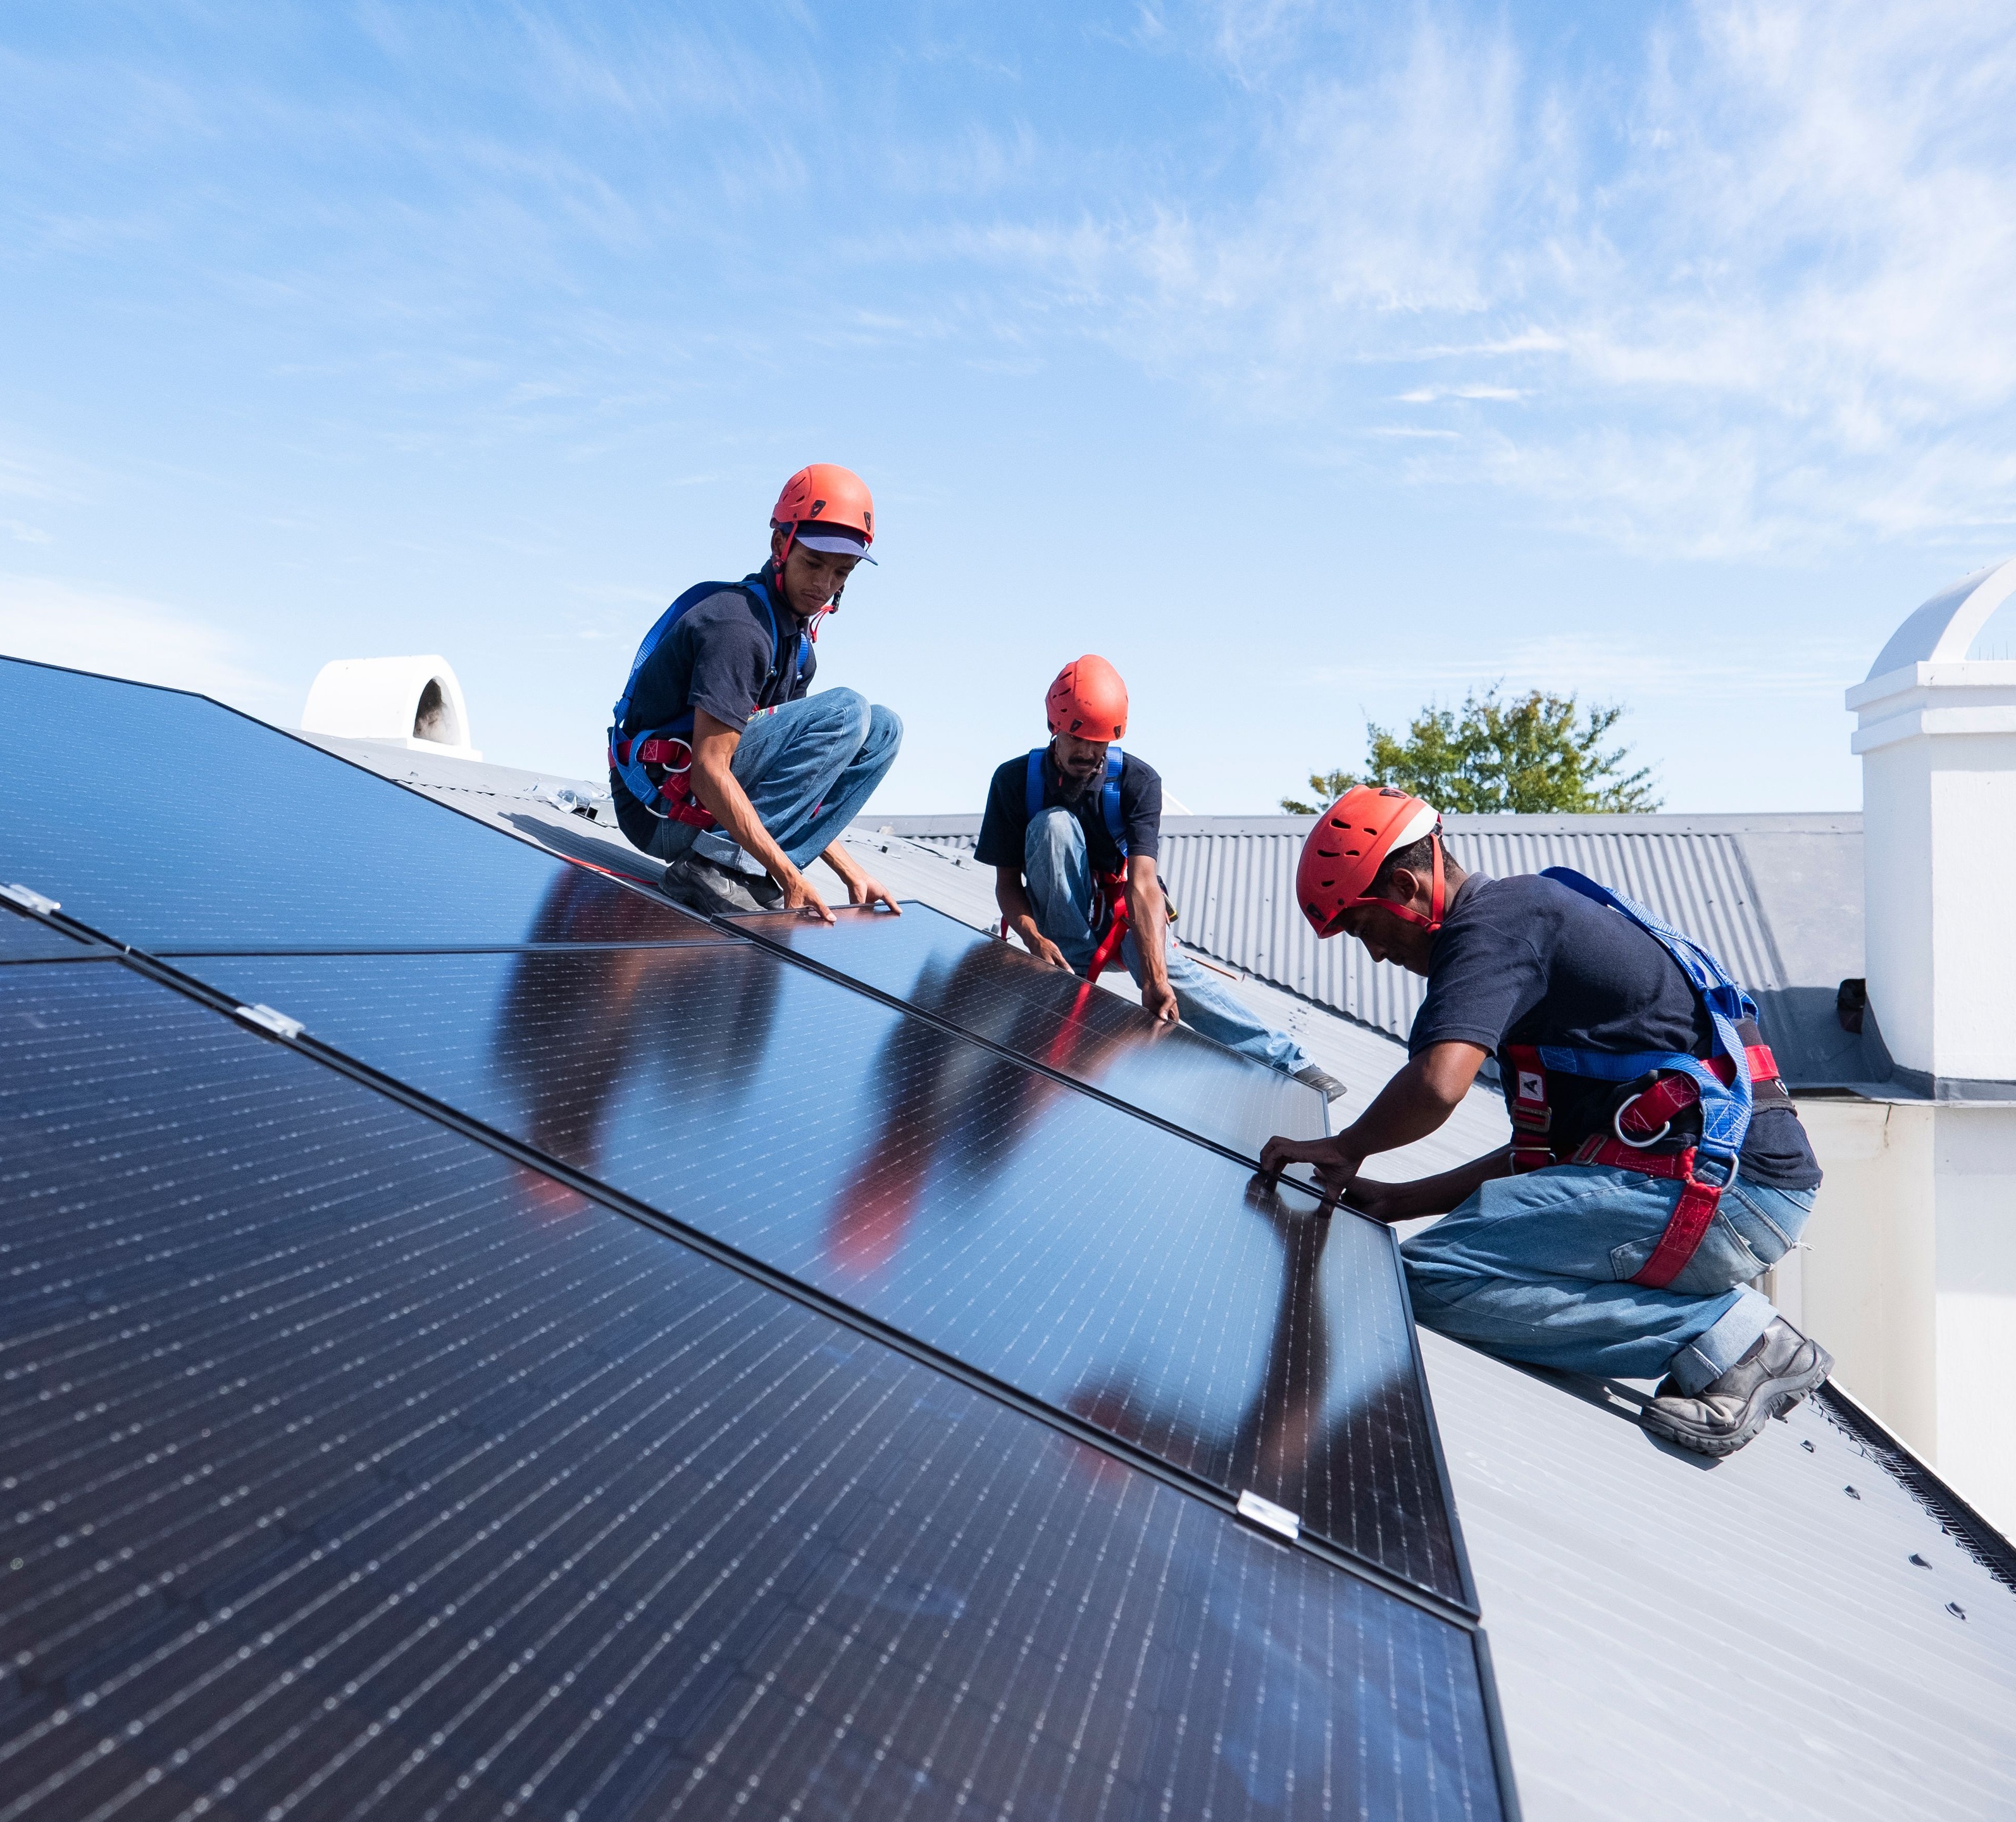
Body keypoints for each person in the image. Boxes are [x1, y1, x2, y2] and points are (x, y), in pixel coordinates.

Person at [1257, 784, 1832, 1456]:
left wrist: (1345, 1148)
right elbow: (1545, 1158)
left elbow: (1439, 1085)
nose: (1376, 955)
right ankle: (1721, 1330)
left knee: (1433, 1278)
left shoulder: (1494, 925)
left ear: (1408, 888)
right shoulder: (1527, 927)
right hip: (1730, 1188)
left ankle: (1732, 1339)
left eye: (1362, 927)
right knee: (1443, 1264)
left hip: (1722, 1191)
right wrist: (1398, 1197)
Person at [973, 655, 1339, 1091]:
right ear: (1054, 726)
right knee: (1053, 826)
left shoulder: (1137, 782)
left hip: (1122, 916)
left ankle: (1290, 1063)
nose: (1089, 753)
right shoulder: (1015, 781)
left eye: (1100, 742)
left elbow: (1143, 884)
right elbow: (1007, 883)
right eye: (1078, 738)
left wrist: (1155, 975)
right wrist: (1034, 940)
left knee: (1169, 974)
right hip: (1058, 926)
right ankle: (1069, 972)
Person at [607, 463, 902, 920]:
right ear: (780, 544)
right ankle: (714, 868)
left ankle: (731, 866)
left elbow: (797, 780)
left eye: (842, 572)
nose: (825, 585)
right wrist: (787, 874)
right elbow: (708, 771)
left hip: (703, 812)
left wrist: (850, 871)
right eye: (814, 563)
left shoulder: (798, 648)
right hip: (661, 811)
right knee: (848, 711)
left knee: (884, 727)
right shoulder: (738, 627)